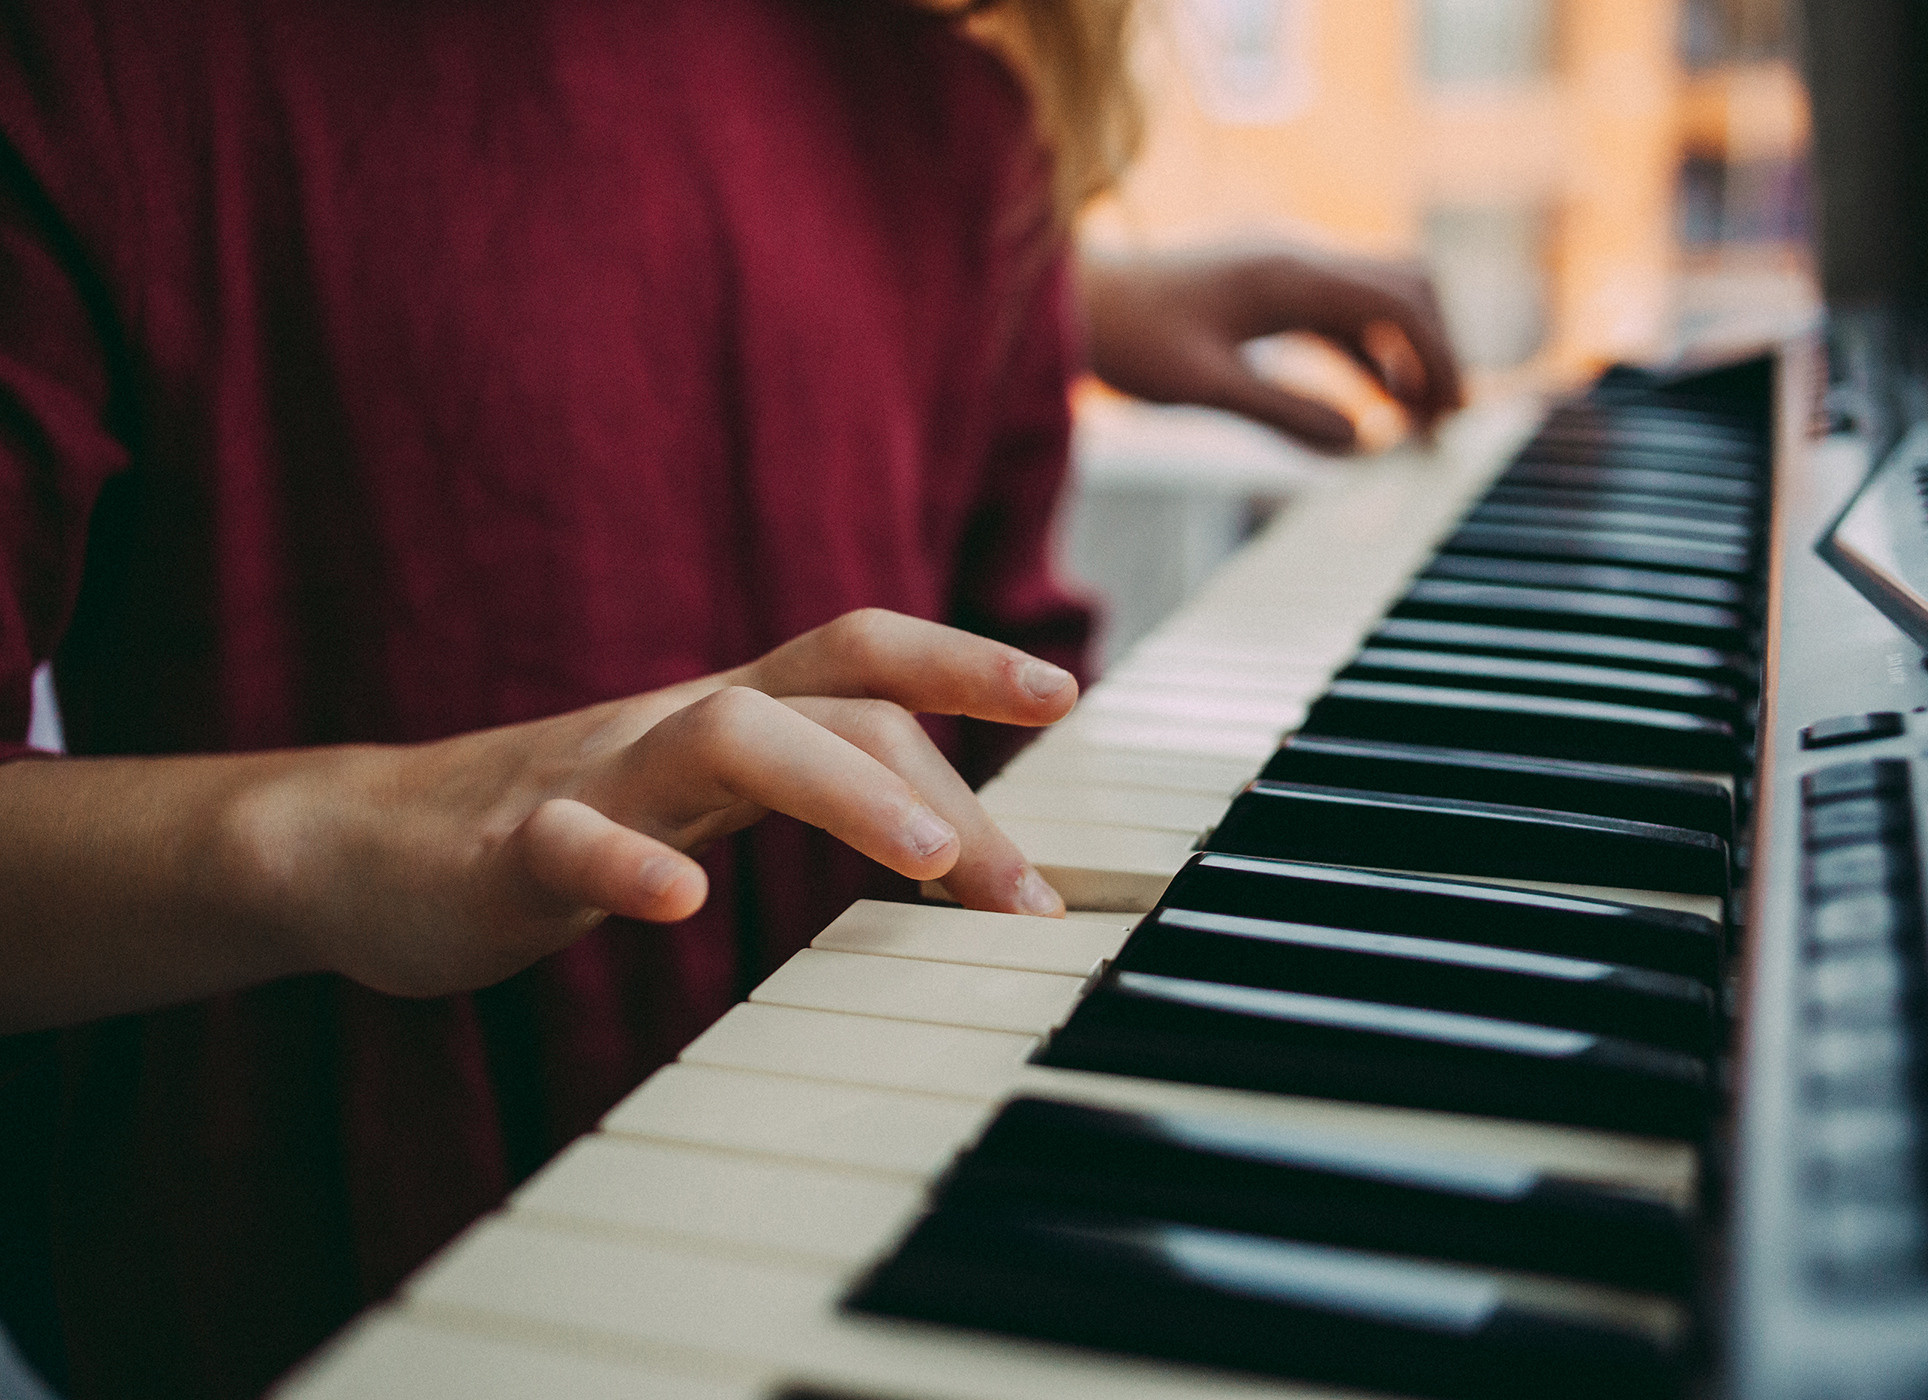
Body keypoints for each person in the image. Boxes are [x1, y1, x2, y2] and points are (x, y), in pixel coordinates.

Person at [0, 2, 1457, 1394]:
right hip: (307, 1263)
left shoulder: (952, 121)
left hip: (900, 1210)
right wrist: (346, 823)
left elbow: (1014, 748)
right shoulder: (89, 55)